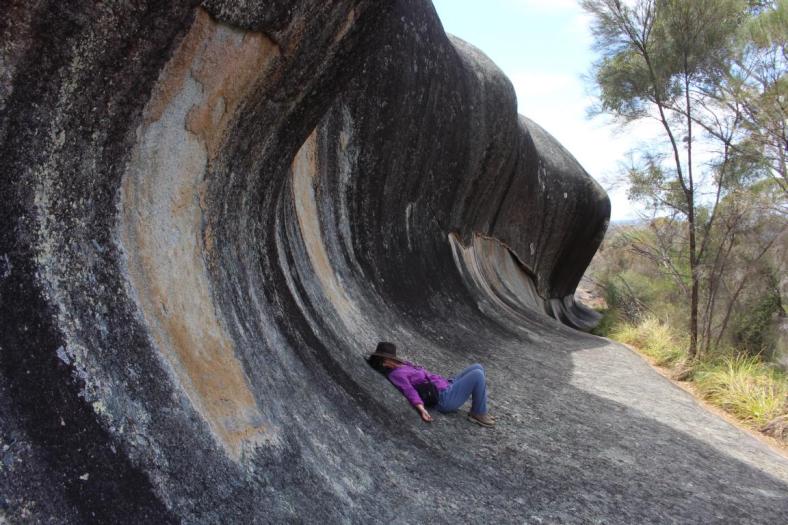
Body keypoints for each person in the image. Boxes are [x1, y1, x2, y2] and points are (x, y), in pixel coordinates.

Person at [368, 341, 495, 427]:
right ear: (383, 362)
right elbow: (408, 390)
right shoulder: (396, 374)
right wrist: (422, 409)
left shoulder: (401, 365)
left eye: (391, 357)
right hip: (443, 398)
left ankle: (478, 408)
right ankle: (478, 413)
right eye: (388, 359)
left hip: (445, 385)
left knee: (477, 367)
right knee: (477, 375)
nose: (392, 360)